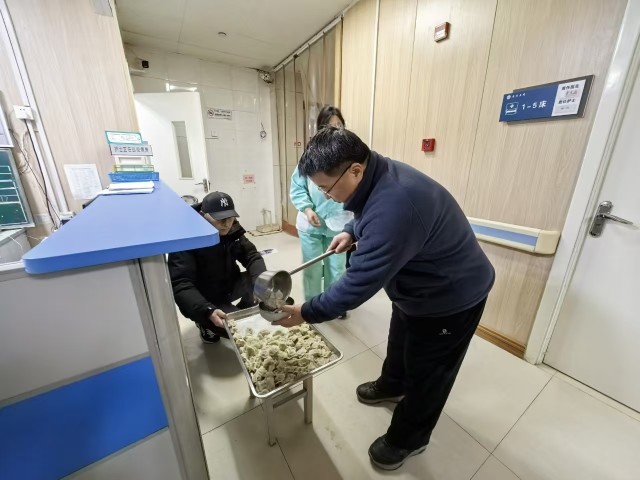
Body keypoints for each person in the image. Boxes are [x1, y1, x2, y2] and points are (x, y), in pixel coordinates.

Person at [278, 127, 495, 470]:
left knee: (429, 370)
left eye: (326, 188)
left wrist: (306, 311)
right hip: (414, 290)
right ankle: (392, 384)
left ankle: (410, 438)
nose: (325, 195)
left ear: (354, 170)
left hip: (450, 297)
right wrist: (350, 231)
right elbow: (366, 211)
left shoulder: (397, 203)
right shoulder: (375, 173)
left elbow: (358, 283)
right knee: (401, 340)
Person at [168, 191, 266, 344]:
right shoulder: (185, 237)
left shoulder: (232, 229)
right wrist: (206, 310)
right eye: (220, 219)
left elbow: (252, 256)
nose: (226, 224)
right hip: (204, 296)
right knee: (235, 330)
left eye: (230, 218)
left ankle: (241, 311)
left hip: (228, 284)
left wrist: (263, 282)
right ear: (203, 215)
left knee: (258, 280)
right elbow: (181, 284)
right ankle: (205, 322)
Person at [289, 106, 352, 317]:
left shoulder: (350, 158)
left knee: (337, 268)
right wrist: (307, 209)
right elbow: (297, 188)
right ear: (319, 129)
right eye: (328, 126)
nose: (335, 131)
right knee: (312, 268)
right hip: (310, 224)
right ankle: (313, 306)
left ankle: (335, 305)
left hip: (339, 223)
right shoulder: (309, 157)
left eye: (339, 125)